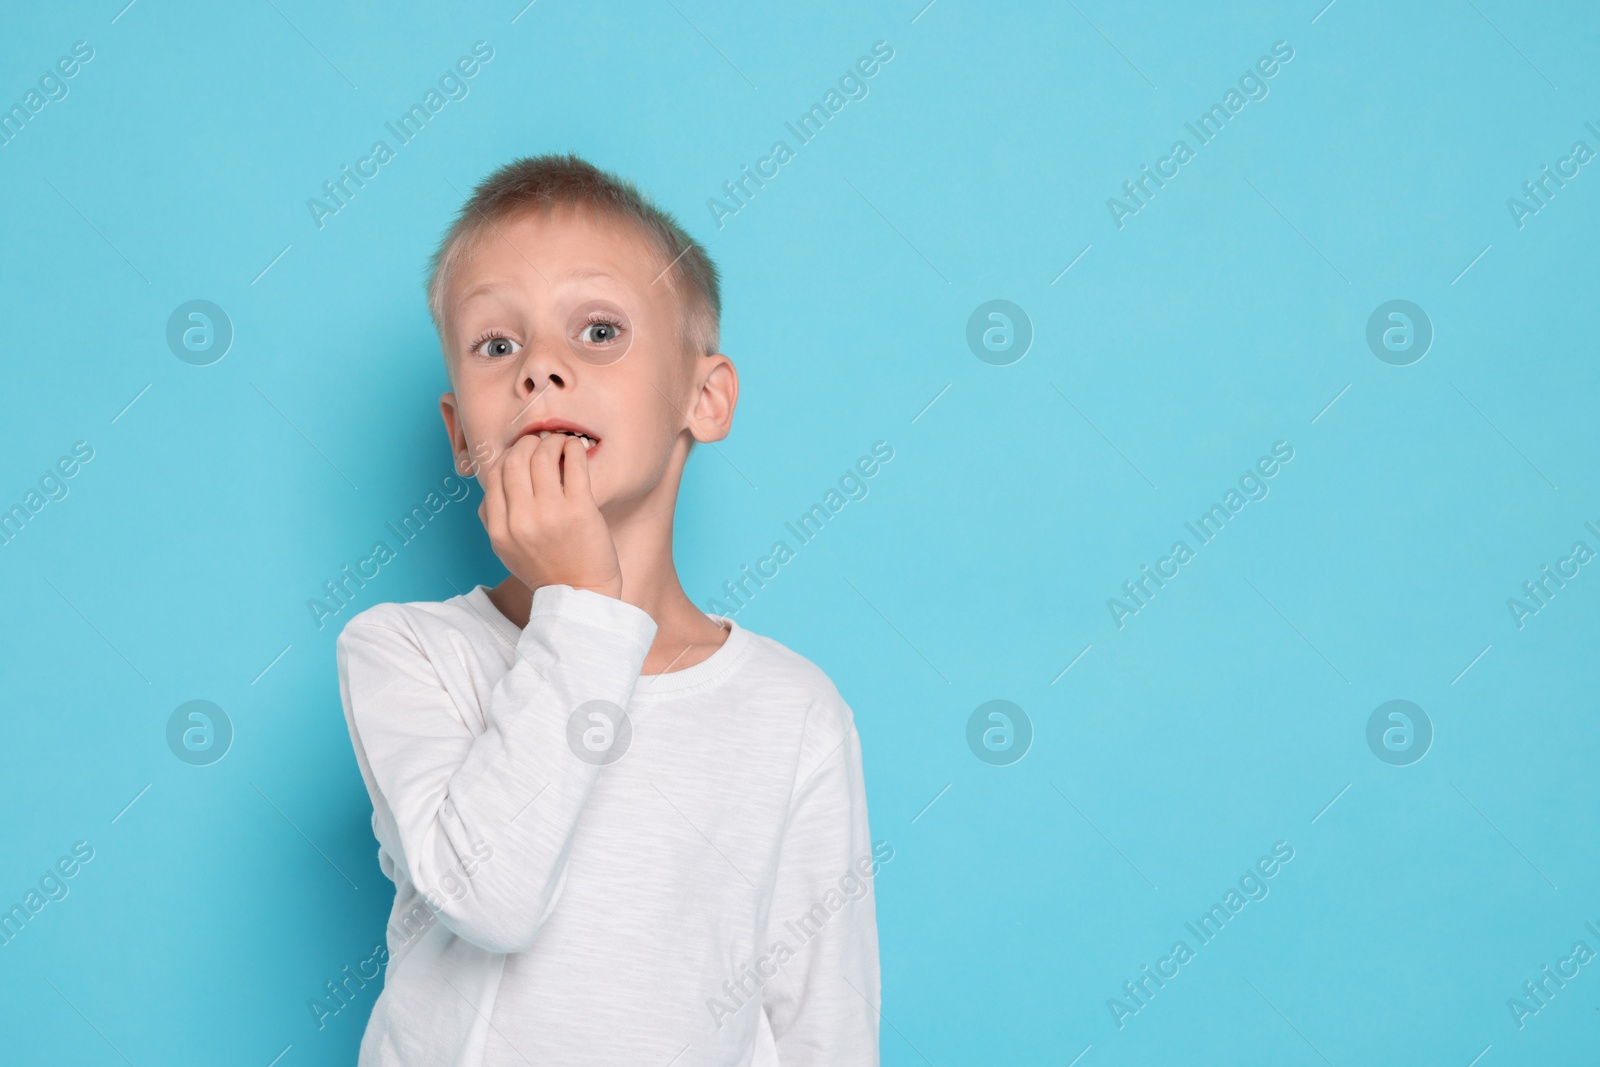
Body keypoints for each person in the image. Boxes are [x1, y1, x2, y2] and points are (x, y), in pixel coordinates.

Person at [335, 153, 883, 1066]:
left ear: (703, 398)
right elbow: (491, 898)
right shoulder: (407, 652)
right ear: (460, 434)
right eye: (497, 345)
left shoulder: (795, 713)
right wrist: (582, 603)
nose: (541, 369)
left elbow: (822, 1028)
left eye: (597, 331)